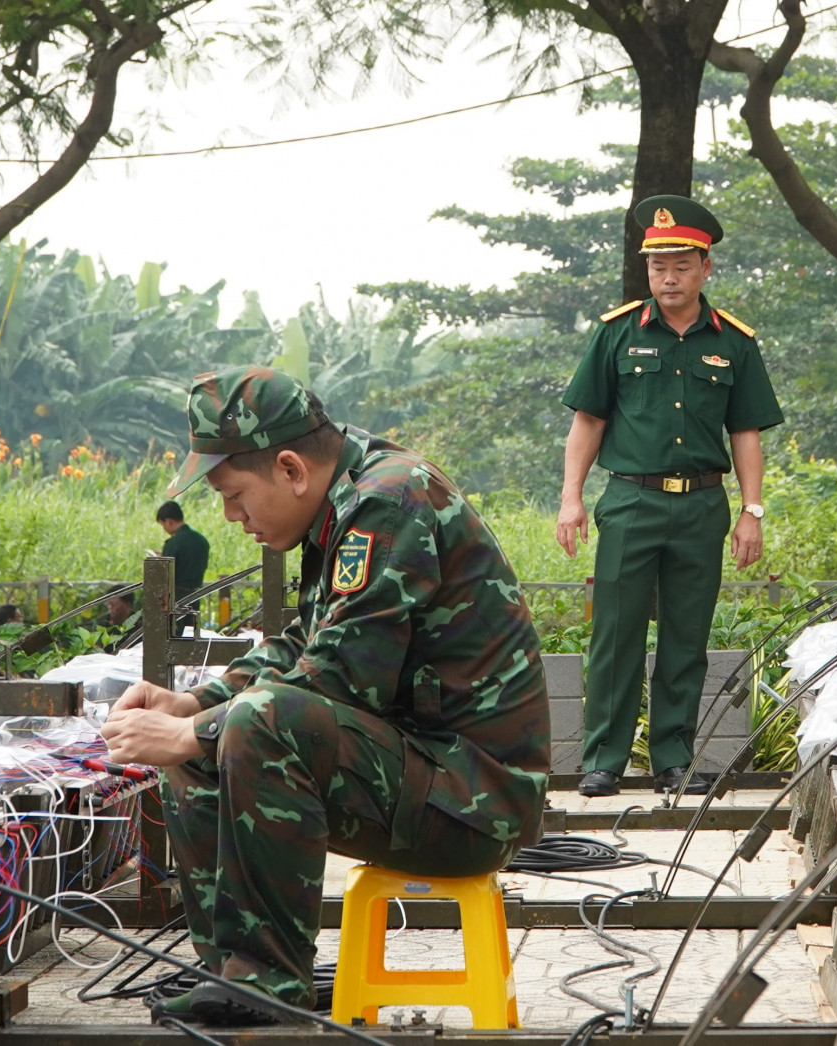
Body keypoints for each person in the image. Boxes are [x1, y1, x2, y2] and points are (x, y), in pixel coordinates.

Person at [101, 367, 550, 1028]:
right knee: (213, 737)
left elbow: (339, 676)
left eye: (232, 494)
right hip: (425, 776)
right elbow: (301, 646)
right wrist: (192, 708)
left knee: (254, 725)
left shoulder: (391, 502)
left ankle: (265, 980)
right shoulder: (348, 496)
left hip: (476, 802)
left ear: (290, 468)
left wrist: (200, 731)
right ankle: (236, 970)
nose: (230, 516)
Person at [557, 195, 784, 798]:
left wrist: (751, 512)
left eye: (681, 265)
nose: (669, 278)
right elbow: (588, 421)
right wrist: (570, 498)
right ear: (647, 272)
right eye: (658, 267)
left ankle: (672, 759)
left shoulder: (733, 342)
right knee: (615, 633)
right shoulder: (616, 334)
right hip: (632, 501)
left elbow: (746, 434)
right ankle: (603, 758)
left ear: (704, 267)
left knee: (687, 635)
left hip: (703, 507)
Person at [156, 500, 210, 635]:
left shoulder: (173, 543)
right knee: (192, 634)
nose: (165, 529)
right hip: (195, 596)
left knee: (174, 636)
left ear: (169, 521)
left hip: (176, 597)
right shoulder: (201, 540)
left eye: (164, 526)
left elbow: (166, 573)